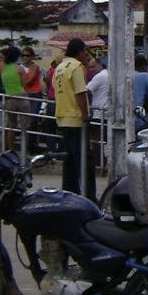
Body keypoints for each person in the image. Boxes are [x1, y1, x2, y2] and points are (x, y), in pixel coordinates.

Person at [54, 39, 96, 201]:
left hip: (63, 118)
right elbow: (80, 93)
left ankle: (69, 195)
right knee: (85, 163)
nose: (87, 54)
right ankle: (89, 198)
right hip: (76, 119)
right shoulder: (77, 68)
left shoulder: (59, 68)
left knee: (69, 162)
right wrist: (86, 115)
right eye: (85, 51)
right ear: (79, 52)